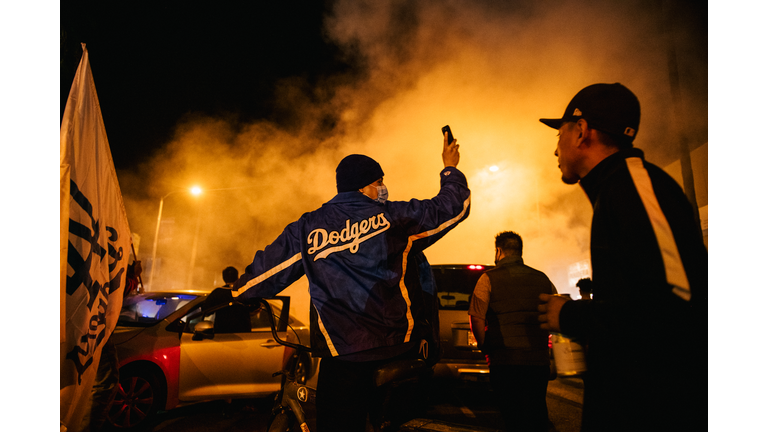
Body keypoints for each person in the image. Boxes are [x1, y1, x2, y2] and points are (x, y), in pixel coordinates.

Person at [232, 132, 469, 432]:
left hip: (342, 356)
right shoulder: (394, 217)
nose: (383, 188)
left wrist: (237, 293)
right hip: (397, 349)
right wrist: (450, 168)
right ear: (364, 185)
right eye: (379, 181)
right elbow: (452, 206)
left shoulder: (307, 227)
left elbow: (266, 273)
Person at [536, 83, 707, 431]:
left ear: (581, 131)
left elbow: (679, 306)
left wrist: (571, 315)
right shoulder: (620, 188)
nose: (555, 149)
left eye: (559, 133)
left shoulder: (636, 188)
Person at [468, 231, 557, 432]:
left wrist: (485, 347)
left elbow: (477, 317)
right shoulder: (543, 279)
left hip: (505, 361)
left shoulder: (487, 279)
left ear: (499, 251)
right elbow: (553, 315)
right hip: (538, 362)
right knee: (536, 411)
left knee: (512, 414)